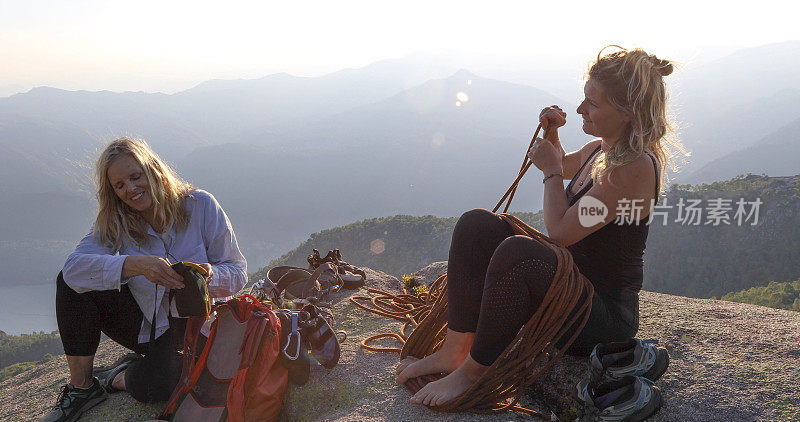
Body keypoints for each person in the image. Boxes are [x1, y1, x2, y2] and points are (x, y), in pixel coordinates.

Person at [396, 46, 685, 408]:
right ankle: (455, 350)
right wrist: (552, 137)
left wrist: (548, 170)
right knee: (478, 226)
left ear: (627, 114)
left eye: (592, 104)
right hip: (570, 289)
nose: (581, 109)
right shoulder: (602, 149)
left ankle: (474, 373)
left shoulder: (634, 168)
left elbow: (561, 231)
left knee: (519, 254)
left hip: (600, 319)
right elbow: (565, 165)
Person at [42, 137, 247, 422]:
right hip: (150, 327)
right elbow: (73, 269)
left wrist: (206, 277)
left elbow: (238, 271)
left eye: (135, 177)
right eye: (120, 185)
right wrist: (132, 265)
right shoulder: (116, 220)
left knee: (164, 385)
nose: (131, 189)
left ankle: (118, 376)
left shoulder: (200, 205)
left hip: (200, 324)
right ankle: (82, 388)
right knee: (71, 284)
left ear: (153, 169)